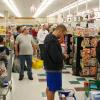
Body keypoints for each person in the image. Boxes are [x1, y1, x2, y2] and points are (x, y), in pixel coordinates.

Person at [44, 24, 67, 100]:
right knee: (52, 89)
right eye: (63, 33)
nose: (63, 36)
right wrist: (63, 56)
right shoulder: (52, 40)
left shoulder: (49, 37)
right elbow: (56, 58)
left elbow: (53, 52)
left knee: (49, 87)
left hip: (49, 67)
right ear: (60, 31)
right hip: (54, 68)